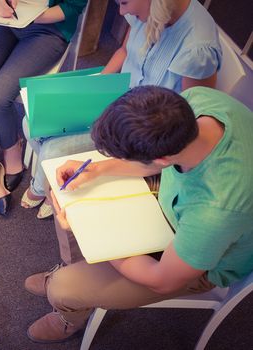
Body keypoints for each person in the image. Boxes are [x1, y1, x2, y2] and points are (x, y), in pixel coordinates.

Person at [23, 86, 253, 342]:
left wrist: (93, 235)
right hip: (178, 202)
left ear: (162, 159)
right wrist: (97, 169)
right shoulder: (194, 101)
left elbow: (162, 280)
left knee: (63, 288)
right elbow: (155, 161)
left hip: (193, 263)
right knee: (71, 196)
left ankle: (69, 316)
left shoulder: (216, 211)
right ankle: (73, 270)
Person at [21, 0, 221, 219]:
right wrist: (93, 87)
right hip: (118, 97)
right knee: (29, 122)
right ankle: (48, 180)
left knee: (52, 150)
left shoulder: (196, 48)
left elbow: (188, 123)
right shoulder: (144, 12)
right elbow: (125, 50)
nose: (121, 11)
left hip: (143, 128)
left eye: (124, 2)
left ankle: (41, 187)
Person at [0, 0, 87, 215]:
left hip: (47, 27)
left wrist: (37, 16)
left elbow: (73, 6)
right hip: (3, 19)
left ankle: (12, 146)